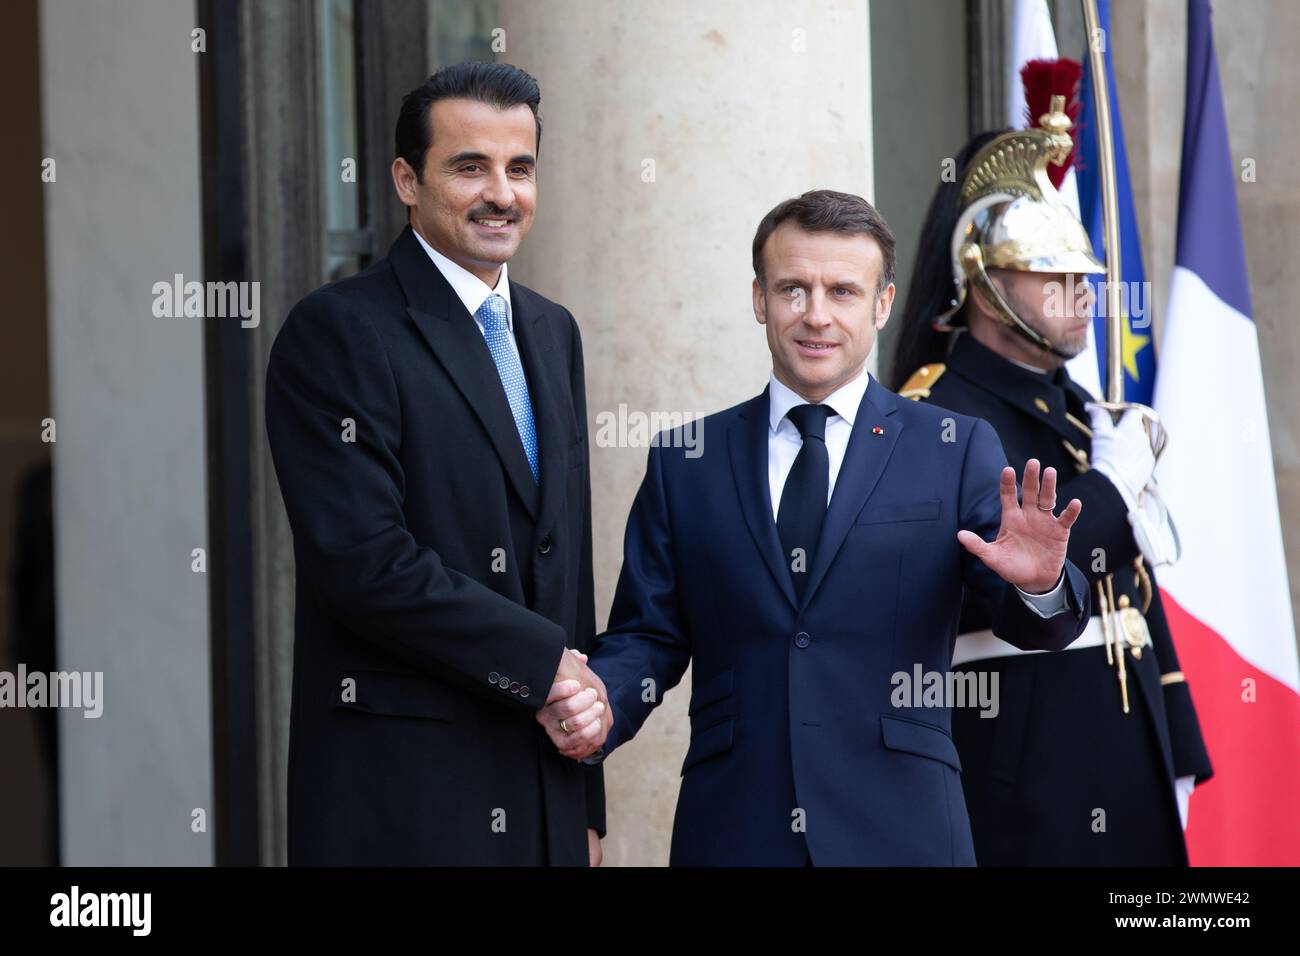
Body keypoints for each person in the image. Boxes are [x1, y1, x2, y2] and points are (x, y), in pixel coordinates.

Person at [540, 189, 1091, 866]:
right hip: (736, 827)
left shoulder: (953, 446)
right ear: (759, 299)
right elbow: (647, 636)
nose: (816, 315)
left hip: (904, 829)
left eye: (843, 291)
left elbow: (1026, 618)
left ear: (882, 305)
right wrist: (600, 703)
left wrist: (1041, 587)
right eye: (793, 289)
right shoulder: (687, 461)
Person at [265, 62, 609, 866]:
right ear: (405, 180)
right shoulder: (340, 331)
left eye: (519, 169)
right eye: (469, 167)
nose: (501, 193)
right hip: (408, 801)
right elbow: (362, 562)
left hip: (545, 791)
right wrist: (543, 667)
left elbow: (566, 563)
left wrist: (586, 796)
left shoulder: (551, 331)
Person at [890, 108, 1212, 864]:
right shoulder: (934, 414)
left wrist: (1180, 738)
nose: (1080, 295)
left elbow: (1129, 598)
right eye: (1053, 278)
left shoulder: (1077, 413)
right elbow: (1013, 567)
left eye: (1083, 278)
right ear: (982, 279)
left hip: (1127, 748)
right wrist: (1107, 488)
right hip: (1025, 765)